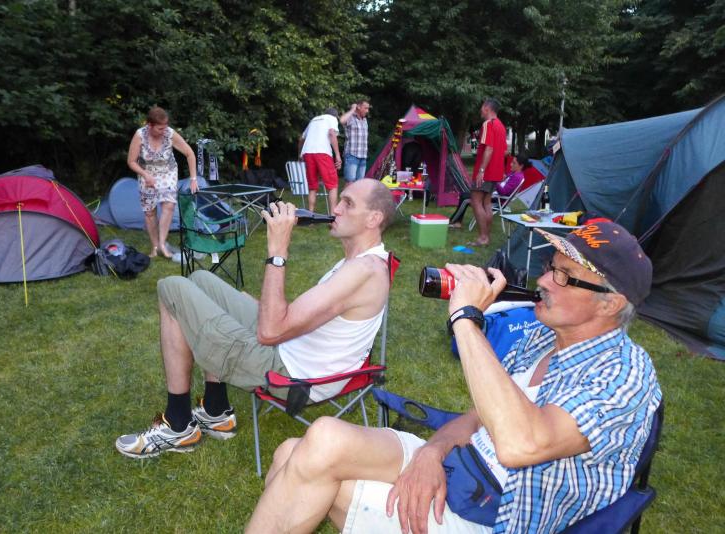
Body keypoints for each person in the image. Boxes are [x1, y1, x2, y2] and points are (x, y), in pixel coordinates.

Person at [246, 221, 662, 534]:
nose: (541, 281)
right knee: (310, 442)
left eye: (564, 276)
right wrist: (432, 451)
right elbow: (482, 416)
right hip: (462, 465)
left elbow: (521, 443)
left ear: (611, 304)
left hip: (502, 512)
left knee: (309, 473)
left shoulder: (624, 376)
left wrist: (466, 318)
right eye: (550, 267)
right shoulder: (542, 336)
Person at [115, 178, 397, 459]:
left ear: (373, 218)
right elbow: (299, 320)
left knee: (171, 287)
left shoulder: (363, 271)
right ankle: (216, 411)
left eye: (348, 204)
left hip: (293, 375)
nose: (335, 209)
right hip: (293, 346)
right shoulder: (361, 263)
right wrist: (256, 308)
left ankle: (178, 426)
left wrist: (278, 252)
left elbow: (270, 331)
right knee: (201, 279)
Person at [127, 106, 198, 259]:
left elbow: (189, 153)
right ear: (149, 125)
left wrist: (193, 178)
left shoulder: (170, 134)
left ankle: (162, 244)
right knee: (149, 212)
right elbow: (131, 161)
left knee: (169, 205)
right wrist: (145, 175)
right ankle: (155, 247)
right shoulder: (140, 135)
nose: (164, 130)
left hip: (167, 172)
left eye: (165, 126)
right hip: (146, 173)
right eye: (160, 128)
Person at [450, 154, 529, 229]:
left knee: (465, 198)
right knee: (465, 195)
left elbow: (503, 191)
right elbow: (503, 184)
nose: (511, 164)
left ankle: (454, 221)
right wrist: (500, 179)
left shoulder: (517, 177)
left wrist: (495, 181)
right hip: (493, 195)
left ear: (521, 166)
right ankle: (457, 222)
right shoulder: (513, 174)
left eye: (514, 163)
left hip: (497, 200)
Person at [468, 99, 507, 246]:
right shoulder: (501, 126)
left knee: (476, 201)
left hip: (486, 171)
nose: (480, 110)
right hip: (495, 172)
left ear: (486, 108)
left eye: (481, 107)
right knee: (486, 203)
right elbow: (504, 151)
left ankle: (483, 237)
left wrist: (481, 171)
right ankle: (486, 237)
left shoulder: (488, 124)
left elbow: (489, 148)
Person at [299, 108, 342, 213]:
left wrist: (300, 154)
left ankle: (310, 214)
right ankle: (333, 216)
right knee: (332, 185)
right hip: (322, 152)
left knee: (312, 186)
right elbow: (331, 133)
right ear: (335, 116)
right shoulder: (332, 119)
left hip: (307, 152)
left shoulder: (314, 120)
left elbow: (301, 138)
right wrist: (337, 155)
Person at [340, 99, 371, 182]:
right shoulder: (351, 118)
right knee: (350, 182)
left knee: (359, 183)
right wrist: (352, 109)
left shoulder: (364, 120)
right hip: (352, 155)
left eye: (368, 108)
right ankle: (346, 192)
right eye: (365, 108)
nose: (367, 111)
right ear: (359, 107)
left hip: (363, 156)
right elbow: (342, 120)